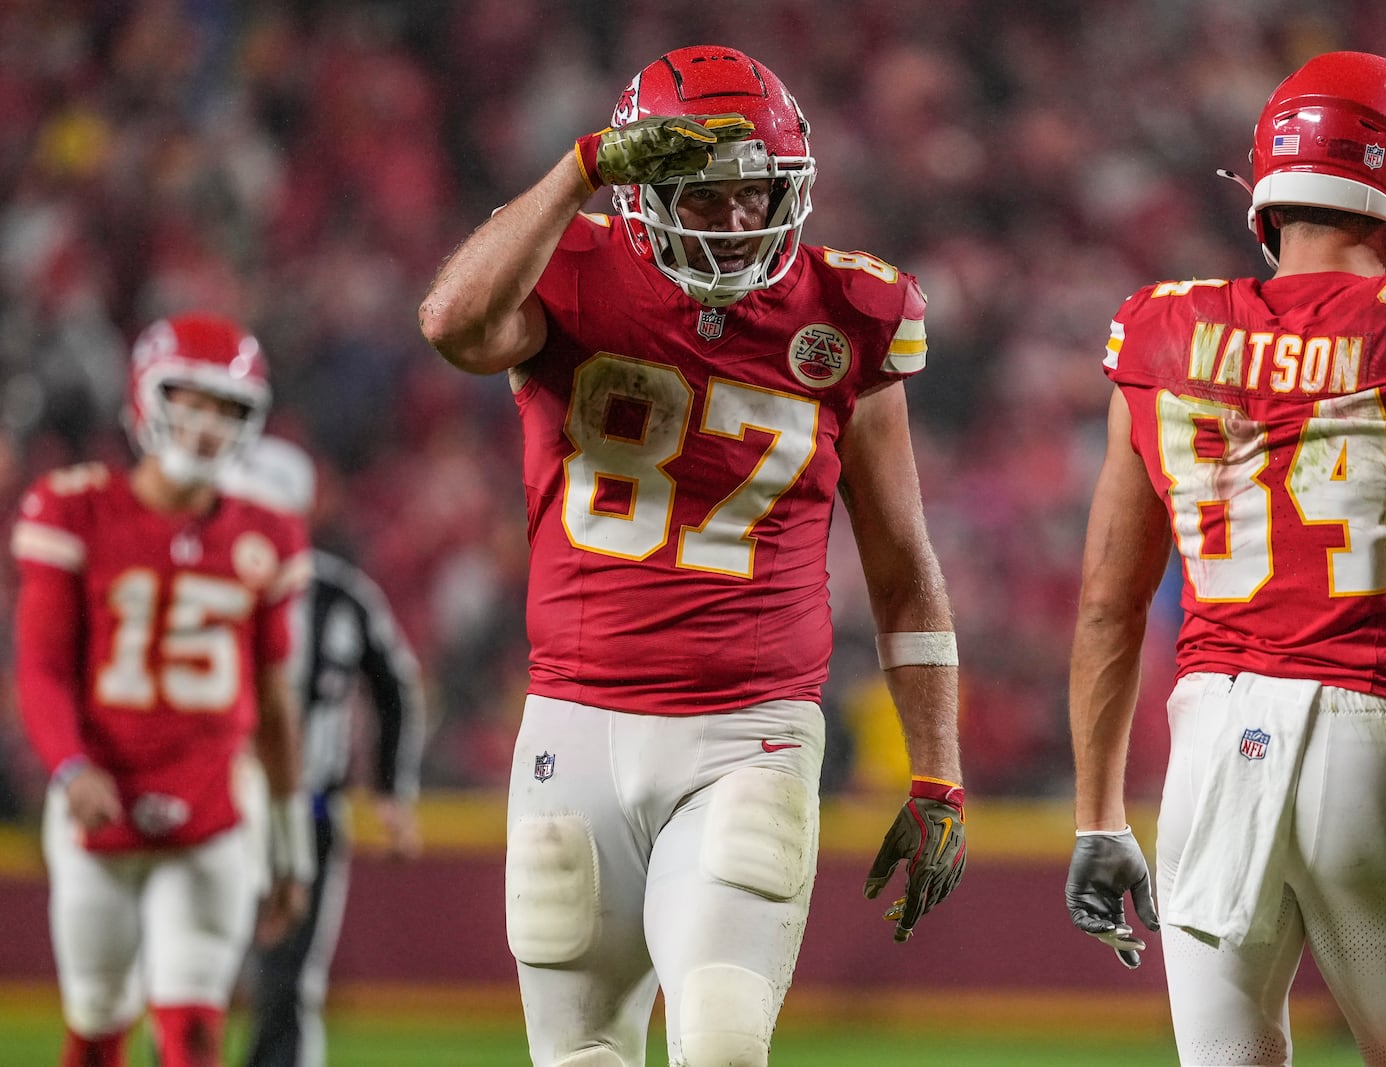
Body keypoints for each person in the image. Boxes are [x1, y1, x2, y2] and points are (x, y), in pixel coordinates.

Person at [418, 44, 965, 1067]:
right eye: (702, 198)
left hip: (747, 731)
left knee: (719, 1044)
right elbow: (451, 322)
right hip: (574, 723)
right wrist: (582, 164)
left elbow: (901, 560)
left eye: (752, 195)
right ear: (640, 188)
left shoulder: (848, 313)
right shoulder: (566, 263)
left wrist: (937, 770)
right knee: (579, 1052)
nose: (730, 223)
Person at [1063, 51, 1386, 1065]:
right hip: (1363, 731)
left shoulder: (1161, 329)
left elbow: (1104, 605)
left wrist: (1094, 813)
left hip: (1207, 745)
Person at [10, 313, 315, 1067]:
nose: (209, 426)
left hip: (211, 806)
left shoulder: (270, 534)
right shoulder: (72, 506)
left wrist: (289, 845)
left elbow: (276, 701)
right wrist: (70, 767)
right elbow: (42, 667)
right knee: (98, 1018)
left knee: (194, 1034)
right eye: (193, 401)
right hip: (100, 802)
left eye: (229, 410)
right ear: (146, 397)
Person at [219, 436, 428, 1067]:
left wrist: (392, 793)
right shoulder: (200, 584)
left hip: (309, 812)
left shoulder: (342, 596)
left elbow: (396, 688)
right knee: (188, 970)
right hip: (214, 808)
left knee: (288, 982)